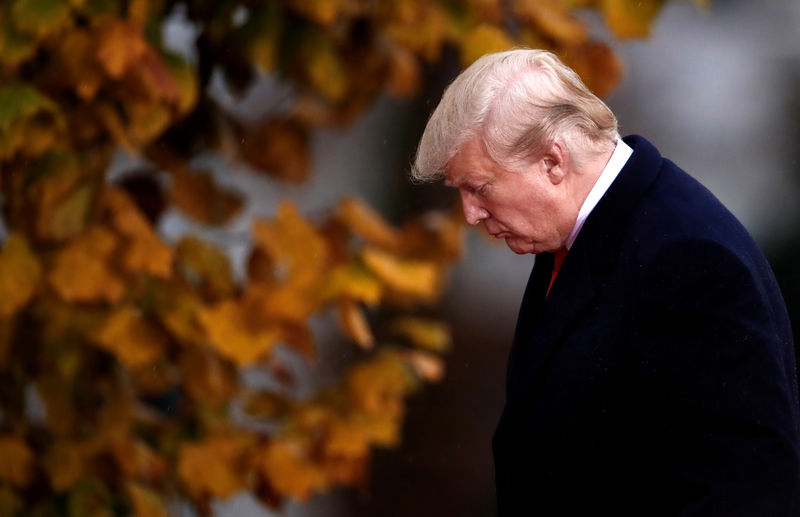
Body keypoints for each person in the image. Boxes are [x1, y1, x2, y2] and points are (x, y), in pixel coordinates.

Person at [411, 49, 800, 515]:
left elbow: (743, 492)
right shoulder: (584, 234)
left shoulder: (686, 259)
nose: (470, 214)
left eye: (479, 187)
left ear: (553, 163)